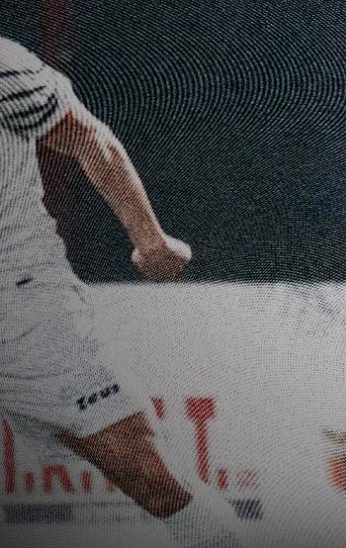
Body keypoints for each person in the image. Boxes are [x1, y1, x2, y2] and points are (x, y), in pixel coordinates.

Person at [0, 36, 244, 548]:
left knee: (152, 478)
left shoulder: (4, 67)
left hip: (23, 309)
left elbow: (89, 138)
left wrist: (150, 241)